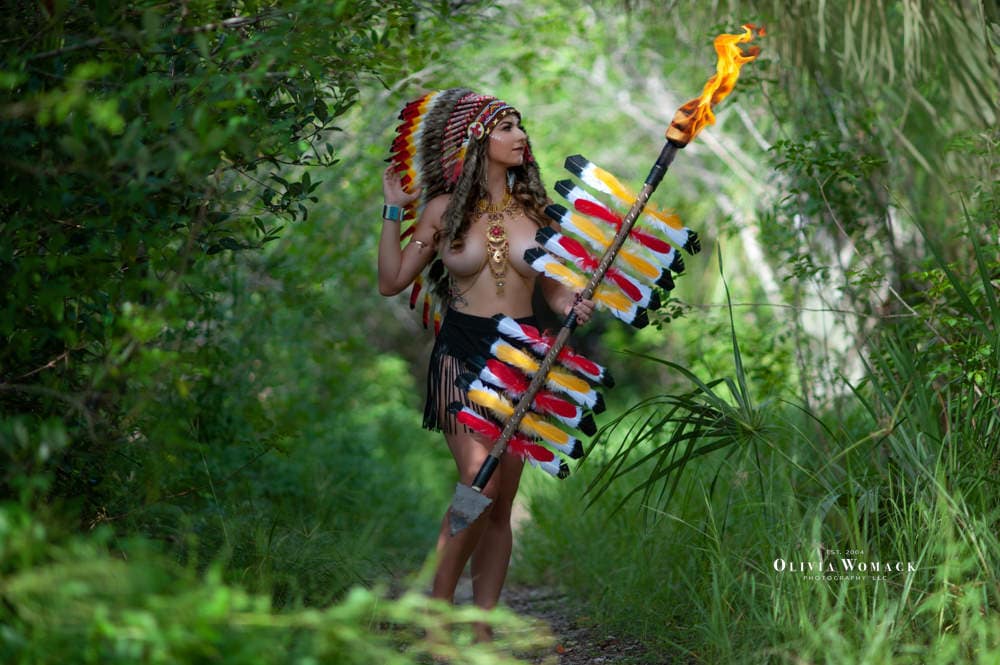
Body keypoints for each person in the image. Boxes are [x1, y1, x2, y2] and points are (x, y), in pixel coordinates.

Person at [377, 88, 595, 640]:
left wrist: (576, 303)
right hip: (461, 351)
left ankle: (482, 632)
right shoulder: (443, 210)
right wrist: (390, 212)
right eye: (506, 128)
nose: (520, 137)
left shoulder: (539, 213)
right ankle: (436, 613)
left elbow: (556, 293)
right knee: (480, 482)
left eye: (520, 127)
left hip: (523, 357)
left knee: (501, 506)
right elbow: (391, 281)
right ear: (479, 138)